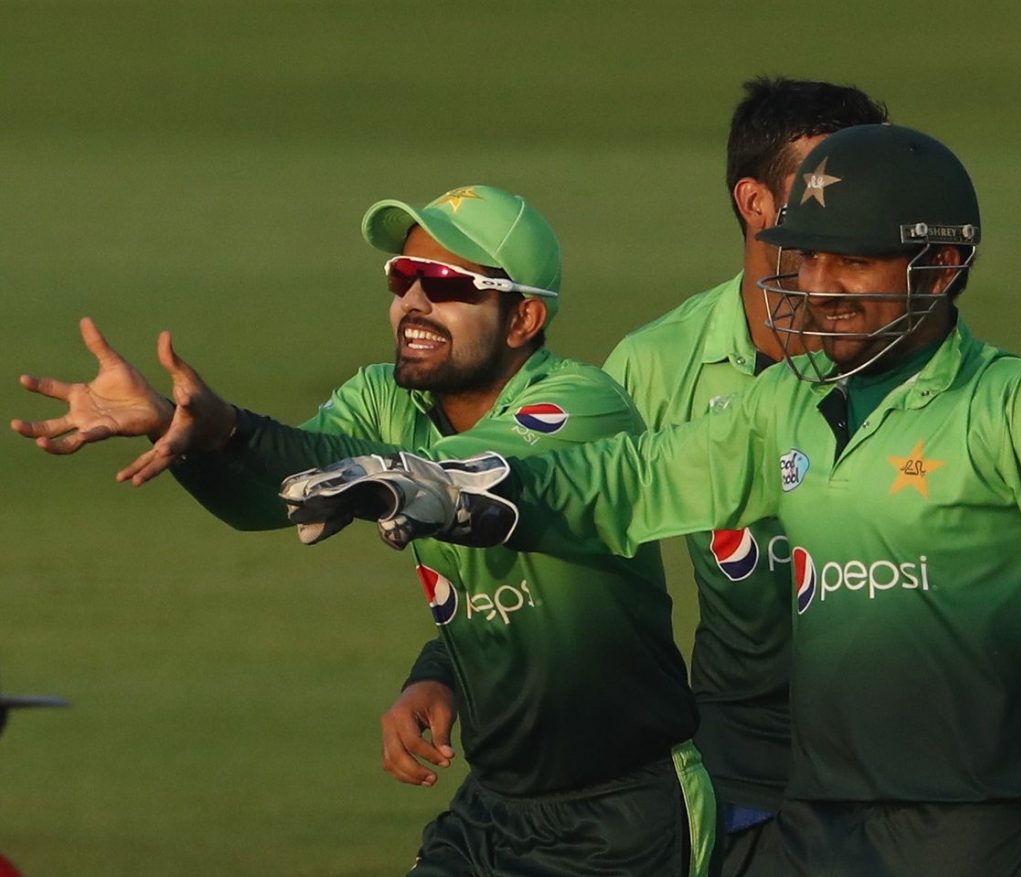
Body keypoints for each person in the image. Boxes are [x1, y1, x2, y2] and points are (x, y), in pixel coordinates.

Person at [286, 126, 1021, 876]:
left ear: (938, 269)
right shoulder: (782, 407)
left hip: (974, 833)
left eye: (848, 264)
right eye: (805, 258)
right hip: (811, 828)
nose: (813, 288)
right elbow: (632, 479)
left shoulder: (1016, 403)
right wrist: (460, 487)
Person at [11, 185, 714, 876]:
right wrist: (178, 427)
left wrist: (228, 427)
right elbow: (281, 495)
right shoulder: (384, 398)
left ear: (524, 316)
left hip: (622, 814)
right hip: (494, 808)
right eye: (402, 277)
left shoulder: (581, 407)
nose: (412, 302)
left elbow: (445, 479)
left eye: (443, 281)